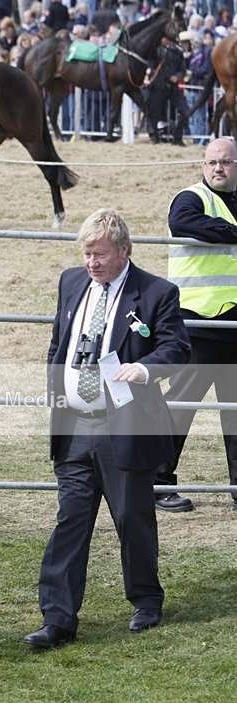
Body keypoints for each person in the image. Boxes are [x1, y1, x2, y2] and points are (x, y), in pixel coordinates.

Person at [23, 209, 190, 649]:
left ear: (123, 251)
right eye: (86, 253)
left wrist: (145, 368)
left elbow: (177, 347)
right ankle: (57, 619)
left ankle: (146, 600)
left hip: (126, 426)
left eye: (99, 254)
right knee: (69, 522)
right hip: (75, 426)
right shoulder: (71, 283)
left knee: (132, 519)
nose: (91, 262)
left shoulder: (157, 293)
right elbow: (59, 343)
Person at [155, 137, 237, 512]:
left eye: (225, 162)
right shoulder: (189, 198)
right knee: (179, 406)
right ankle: (158, 483)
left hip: (234, 324)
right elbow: (182, 223)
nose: (217, 168)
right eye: (211, 162)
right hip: (198, 324)